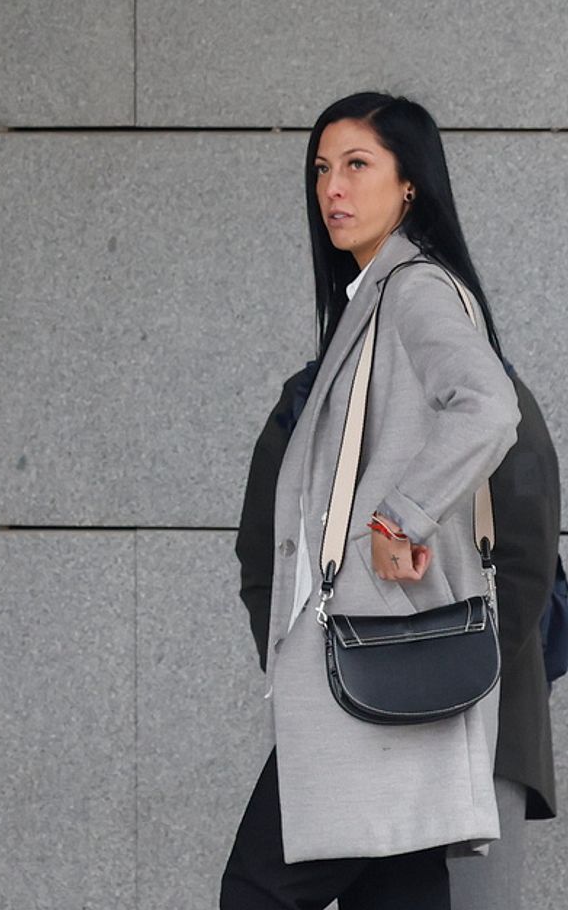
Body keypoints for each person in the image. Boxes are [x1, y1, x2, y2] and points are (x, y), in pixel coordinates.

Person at [219, 92, 521, 909]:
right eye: (322, 169)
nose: (332, 189)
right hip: (395, 667)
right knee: (397, 891)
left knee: (256, 889)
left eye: (358, 165)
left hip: (373, 659)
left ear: (409, 183)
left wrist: (401, 516)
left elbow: (489, 407)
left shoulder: (412, 290)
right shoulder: (377, 298)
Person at [235, 363, 558, 910]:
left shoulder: (477, 385)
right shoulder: (316, 394)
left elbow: (523, 560)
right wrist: (319, 680)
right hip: (358, 712)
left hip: (476, 721)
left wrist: (438, 678)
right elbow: (269, 558)